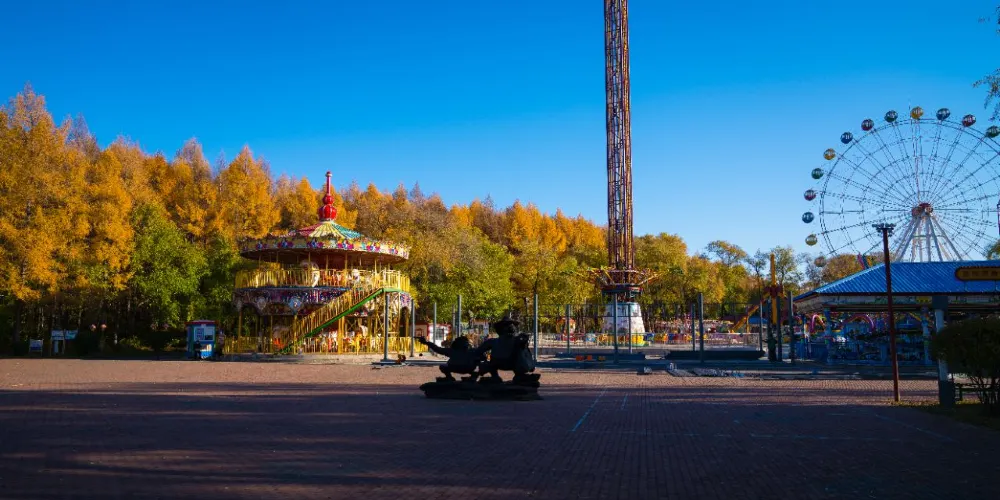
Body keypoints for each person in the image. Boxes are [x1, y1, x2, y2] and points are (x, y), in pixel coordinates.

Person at [417, 336, 484, 382]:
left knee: (443, 366)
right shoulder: (473, 351)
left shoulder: (452, 351)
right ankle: (473, 376)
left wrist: (426, 342)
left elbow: (437, 349)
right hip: (468, 368)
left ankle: (449, 377)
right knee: (479, 364)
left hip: (454, 367)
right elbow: (482, 357)